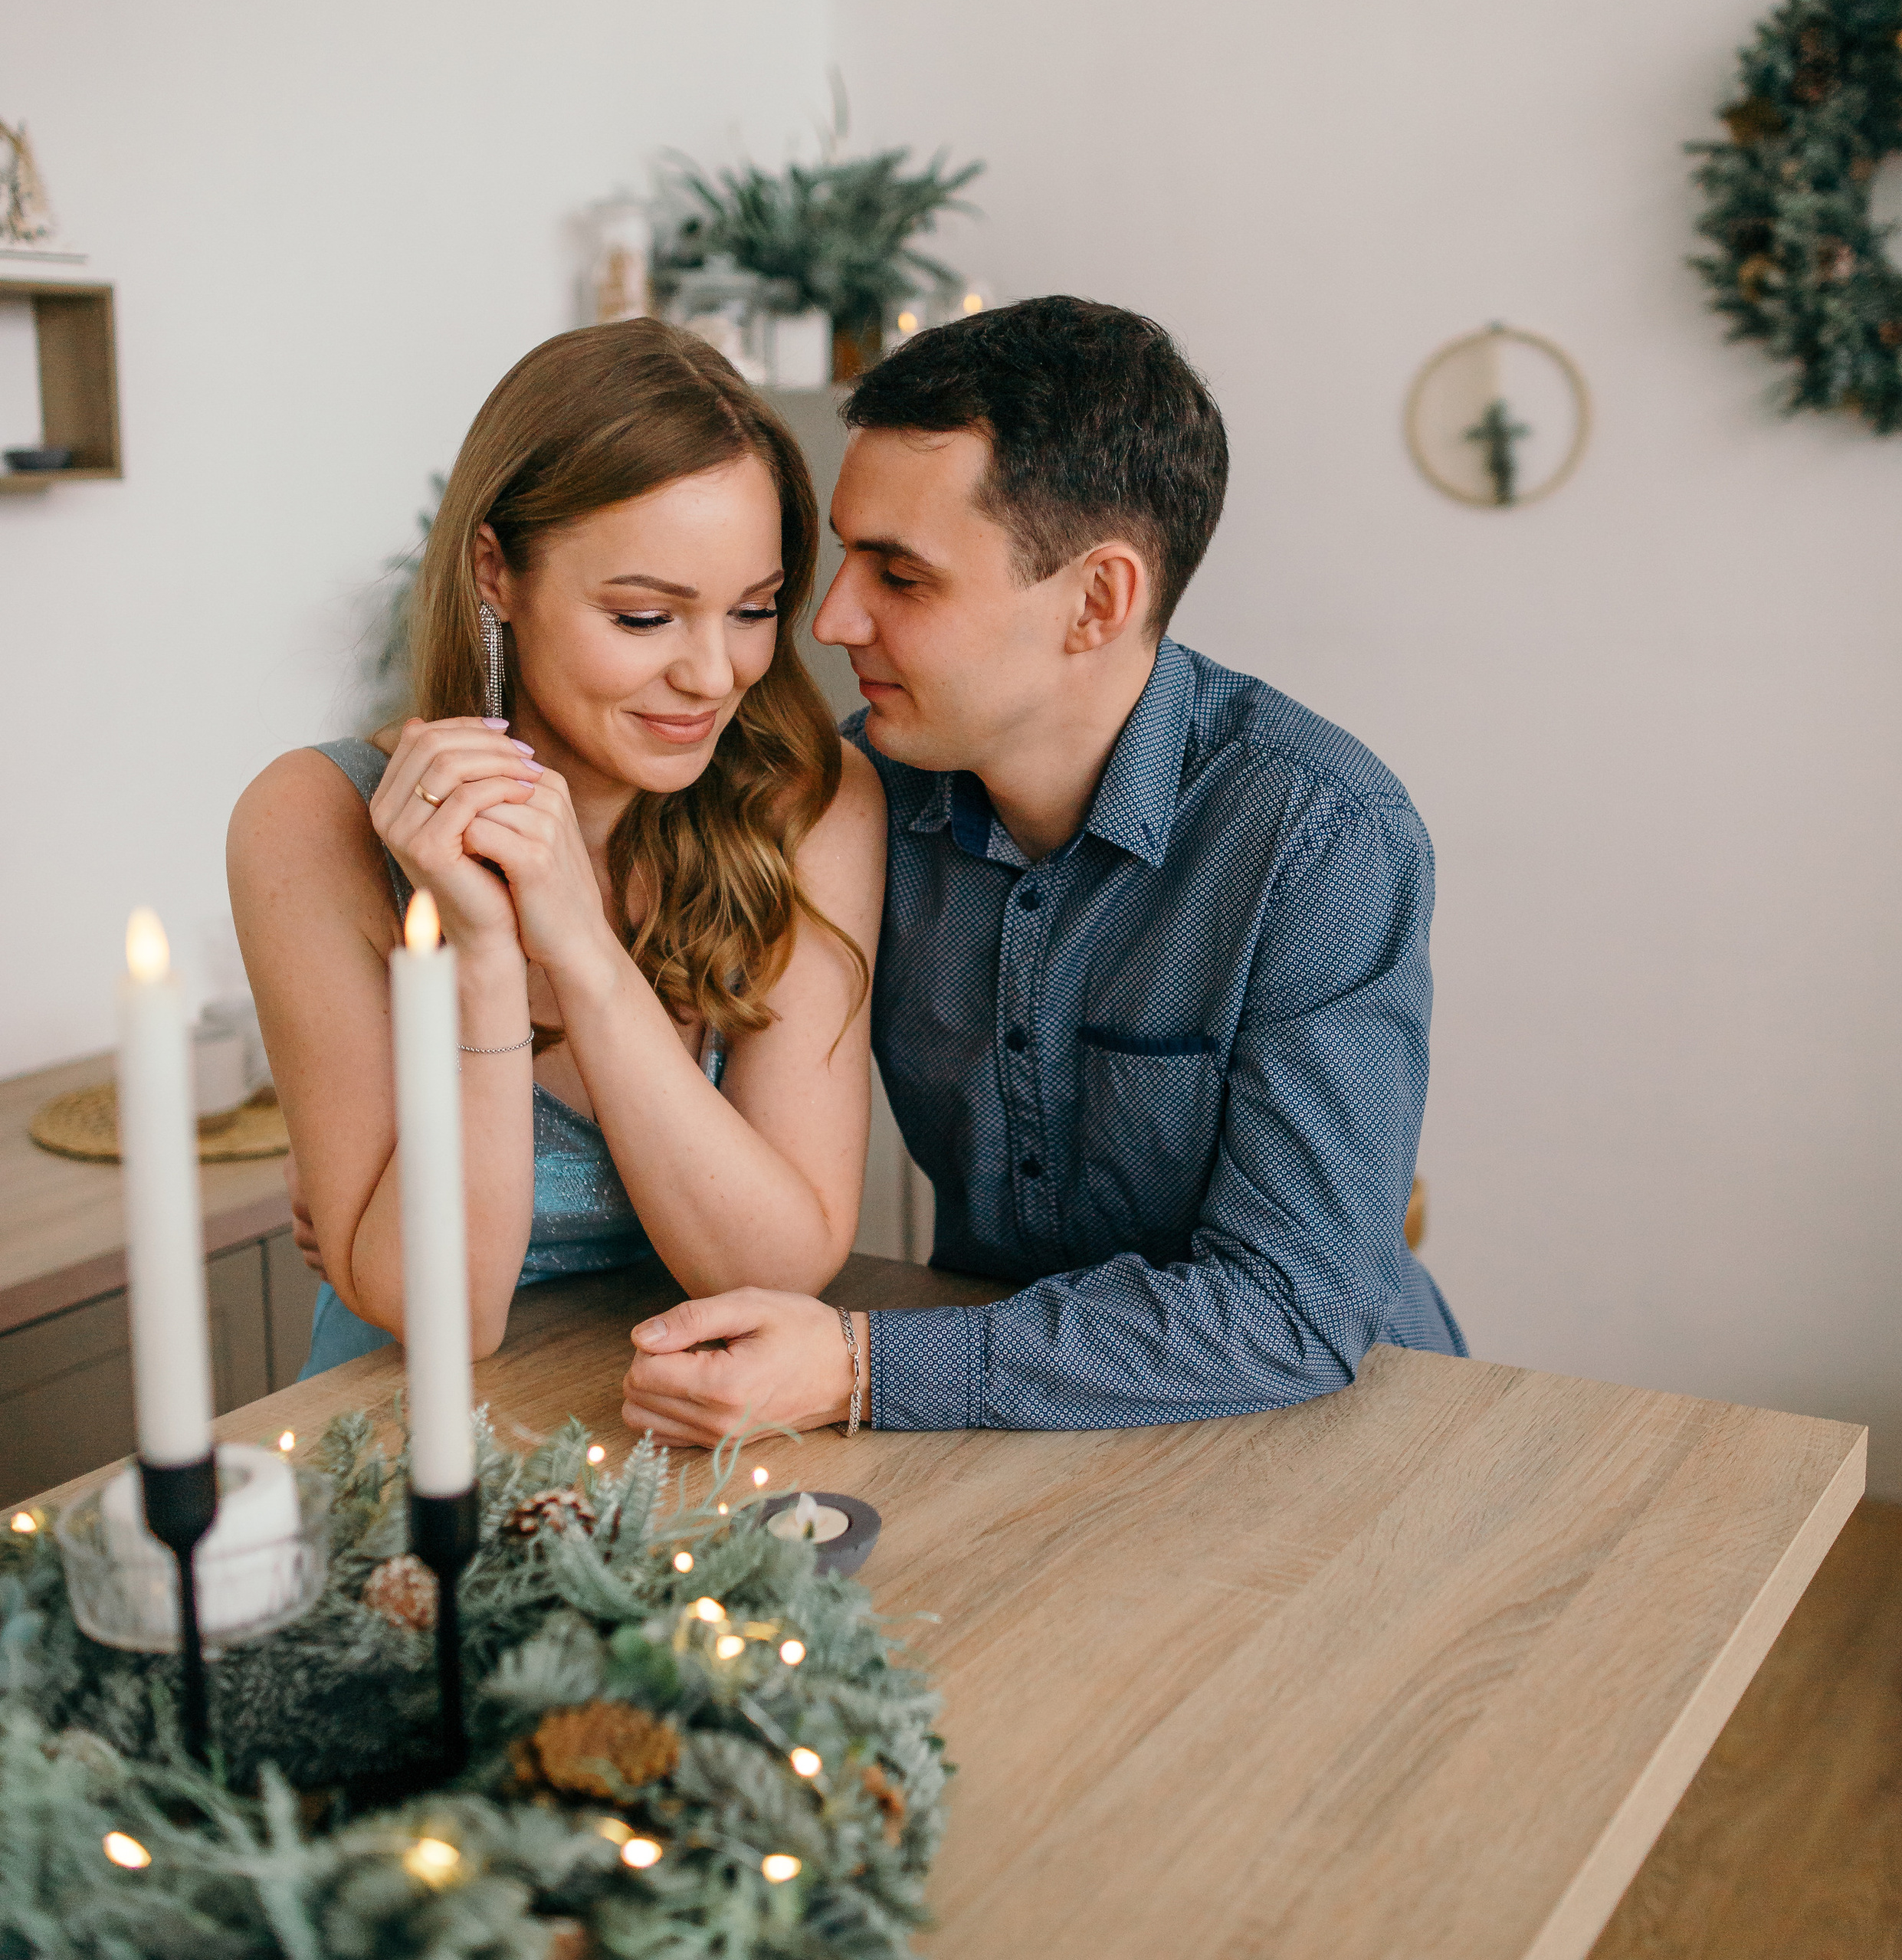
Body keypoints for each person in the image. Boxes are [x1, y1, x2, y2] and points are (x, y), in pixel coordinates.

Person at [620, 294, 1464, 1446]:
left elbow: (1293, 1312)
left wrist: (863, 1368)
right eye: (845, 559)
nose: (832, 621)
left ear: (1097, 601)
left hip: (1328, 1434)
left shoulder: (1319, 836)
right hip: (1001, 1438)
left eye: (900, 576)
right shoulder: (852, 803)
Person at [231, 321, 884, 1378]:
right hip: (407, 1426)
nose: (714, 675)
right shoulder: (312, 820)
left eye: (753, 610)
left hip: (696, 1413)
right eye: (645, 618)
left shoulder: (811, 802)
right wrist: (486, 959)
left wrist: (581, 948)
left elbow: (774, 1268)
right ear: (496, 571)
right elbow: (440, 1316)